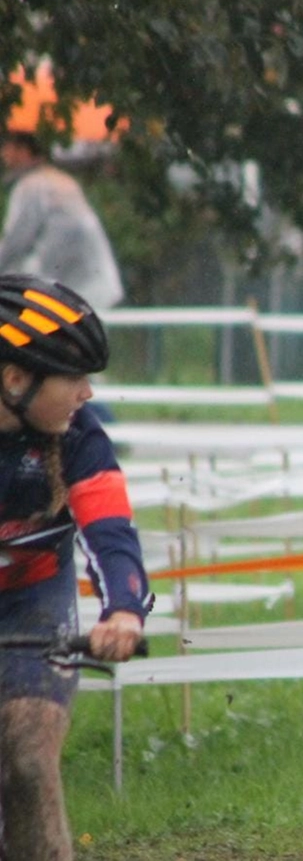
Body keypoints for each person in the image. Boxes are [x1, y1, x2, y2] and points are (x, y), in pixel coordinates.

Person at [0, 273, 150, 859]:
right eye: (76, 379)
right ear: (16, 378)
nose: (88, 395)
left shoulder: (78, 437)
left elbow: (111, 535)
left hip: (35, 604)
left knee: (30, 761)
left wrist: (123, 612)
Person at [0, 131, 125, 312]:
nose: (3, 154)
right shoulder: (57, 179)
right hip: (94, 287)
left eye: (7, 147)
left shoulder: (32, 186)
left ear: (23, 150)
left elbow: (14, 243)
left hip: (77, 293)